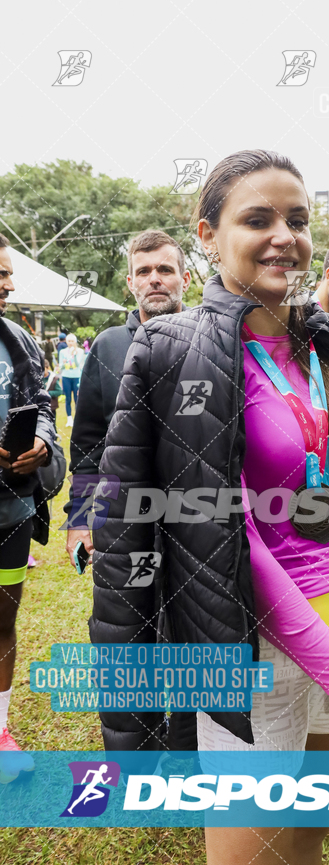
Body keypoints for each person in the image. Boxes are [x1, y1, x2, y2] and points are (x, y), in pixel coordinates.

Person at [90, 150, 329, 865]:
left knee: (306, 843)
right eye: (257, 219)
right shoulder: (170, 351)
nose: (284, 236)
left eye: (298, 220)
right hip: (249, 653)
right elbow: (218, 527)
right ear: (207, 236)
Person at [63, 230, 192, 752]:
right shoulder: (109, 347)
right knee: (124, 632)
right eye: (144, 271)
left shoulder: (212, 338)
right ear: (130, 282)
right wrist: (79, 517)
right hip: (122, 519)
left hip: (195, 516)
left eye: (164, 269)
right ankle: (136, 752)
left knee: (191, 630)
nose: (155, 280)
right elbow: (89, 441)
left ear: (185, 277)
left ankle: (189, 749)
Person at [0, 234, 55, 777]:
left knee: (2, 622)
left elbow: (41, 402)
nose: (10, 285)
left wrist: (40, 438)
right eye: (0, 274)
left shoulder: (16, 338)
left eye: (8, 273)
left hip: (9, 511)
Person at [57, 334, 85, 426]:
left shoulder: (80, 351)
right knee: (68, 398)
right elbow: (60, 366)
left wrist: (74, 355)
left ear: (75, 342)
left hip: (76, 376)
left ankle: (78, 418)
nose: (70, 343)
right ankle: (69, 418)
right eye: (69, 341)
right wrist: (63, 363)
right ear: (66, 342)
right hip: (66, 377)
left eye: (72, 341)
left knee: (77, 399)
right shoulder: (62, 352)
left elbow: (77, 365)